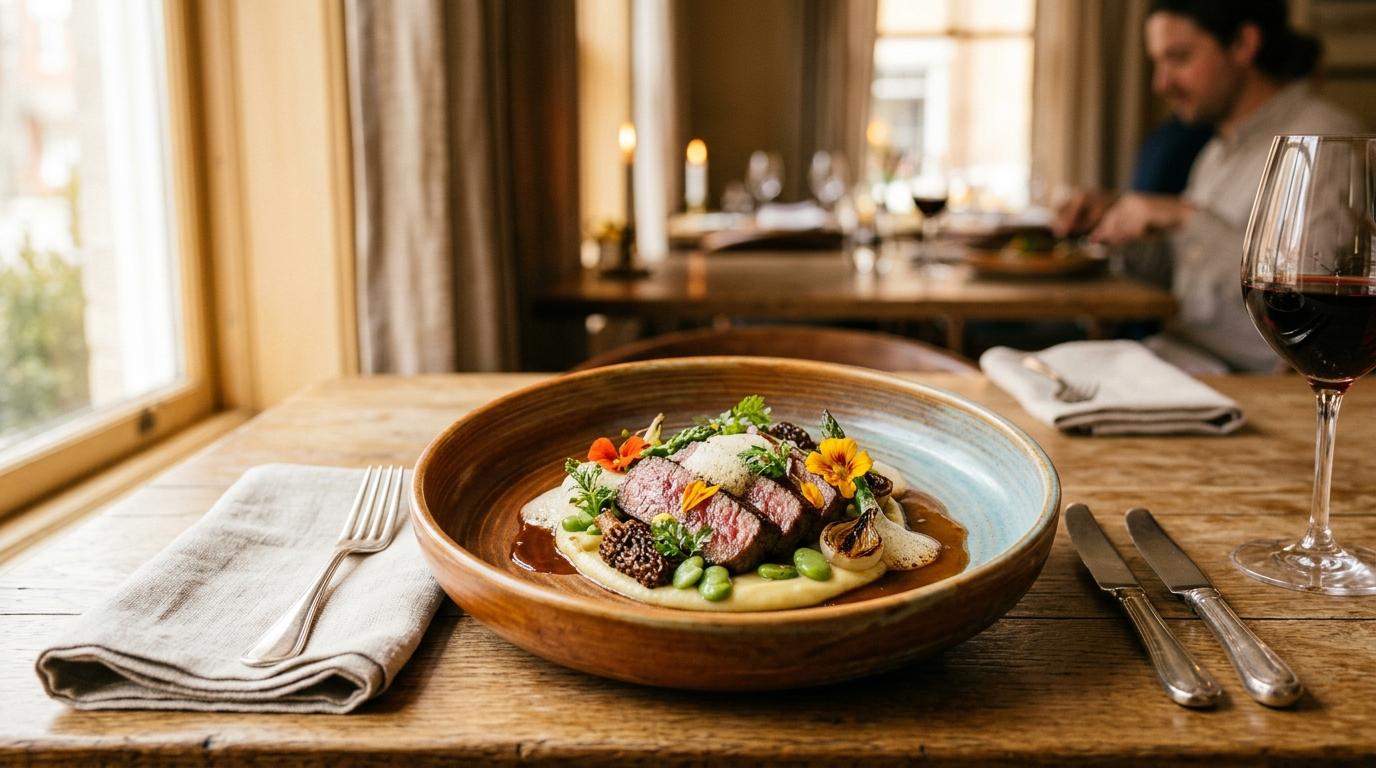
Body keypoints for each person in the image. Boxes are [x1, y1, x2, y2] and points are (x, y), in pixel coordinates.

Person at [1053, 0, 1363, 372]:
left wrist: (1185, 217)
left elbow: (1308, 319)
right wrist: (1116, 221)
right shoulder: (1215, 152)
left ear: (1243, 44)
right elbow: (1180, 281)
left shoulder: (1323, 144)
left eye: (1179, 58)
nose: (1161, 83)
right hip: (1167, 363)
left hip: (1242, 393)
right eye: (1158, 62)